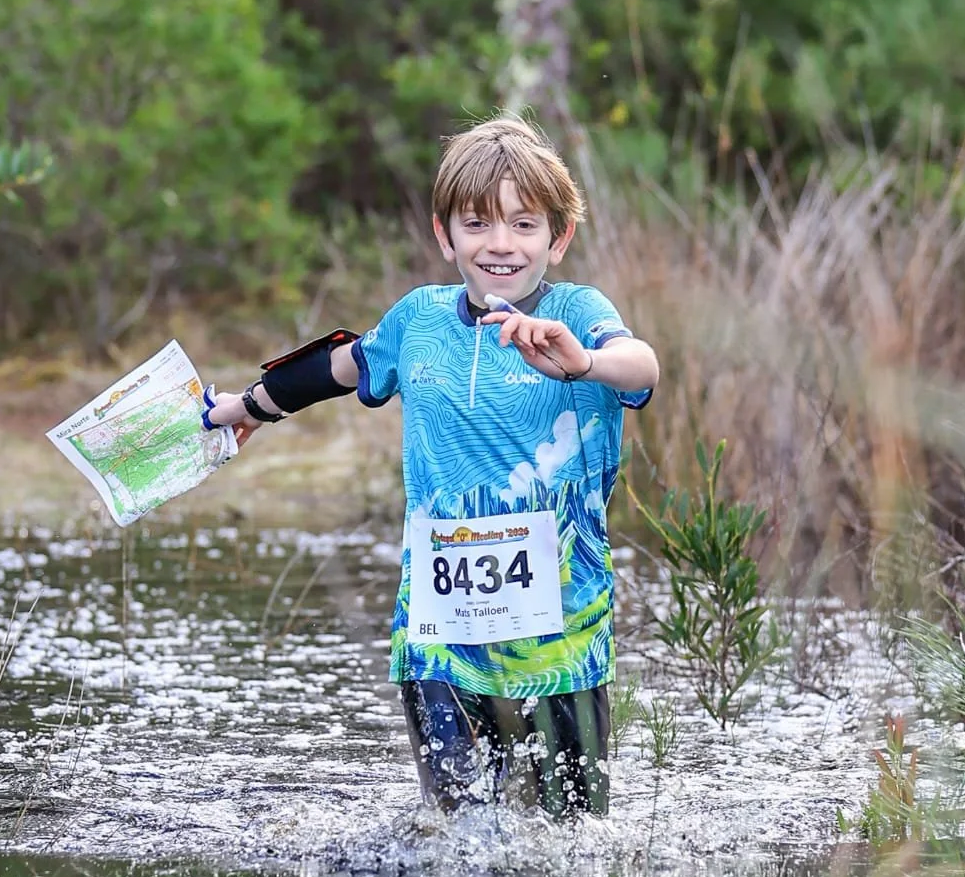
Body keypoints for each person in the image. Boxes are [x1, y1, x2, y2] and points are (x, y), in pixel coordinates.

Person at [203, 115, 659, 815]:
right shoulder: (418, 320)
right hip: (441, 637)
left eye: (524, 224)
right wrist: (251, 407)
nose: (500, 244)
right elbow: (343, 364)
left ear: (558, 237)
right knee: (458, 836)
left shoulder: (578, 311)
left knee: (574, 848)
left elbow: (641, 367)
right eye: (476, 224)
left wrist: (585, 362)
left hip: (561, 640)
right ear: (444, 235)